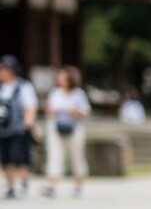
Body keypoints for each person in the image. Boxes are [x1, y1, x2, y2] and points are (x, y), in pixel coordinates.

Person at [43, 65, 91, 198]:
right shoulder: (55, 92)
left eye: (62, 76)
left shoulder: (78, 93)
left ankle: (78, 185)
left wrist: (75, 111)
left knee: (76, 157)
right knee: (54, 155)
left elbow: (86, 111)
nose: (59, 78)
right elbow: (49, 110)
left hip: (74, 128)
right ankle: (52, 185)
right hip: (56, 127)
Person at [0, 55, 38, 199]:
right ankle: (10, 186)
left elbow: (30, 107)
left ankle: (23, 182)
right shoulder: (2, 88)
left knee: (19, 158)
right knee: (5, 159)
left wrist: (29, 122)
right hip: (2, 128)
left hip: (18, 127)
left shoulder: (23, 86)